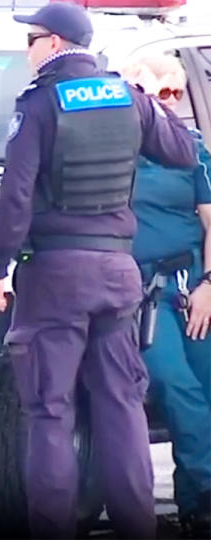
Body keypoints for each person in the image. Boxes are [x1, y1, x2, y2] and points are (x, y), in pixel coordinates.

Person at [0, 3, 198, 538]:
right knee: (121, 403)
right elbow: (183, 153)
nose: (26, 50)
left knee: (50, 409)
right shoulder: (127, 96)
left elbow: (15, 196)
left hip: (54, 275)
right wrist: (142, 99)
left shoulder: (38, 103)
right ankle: (136, 525)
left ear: (54, 43)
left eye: (30, 40)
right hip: (118, 274)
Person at [122, 56, 211, 538]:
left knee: (205, 388)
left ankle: (195, 504)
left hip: (192, 281)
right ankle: (207, 488)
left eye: (173, 94)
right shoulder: (113, 150)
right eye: (153, 94)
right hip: (139, 289)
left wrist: (209, 285)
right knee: (177, 386)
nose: (164, 104)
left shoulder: (193, 149)